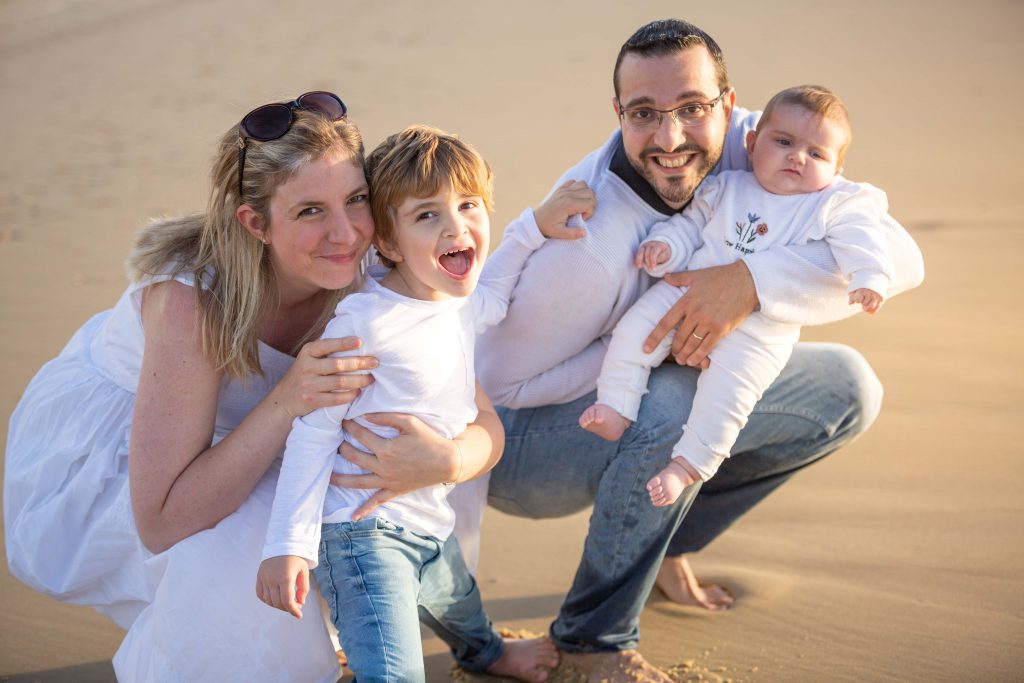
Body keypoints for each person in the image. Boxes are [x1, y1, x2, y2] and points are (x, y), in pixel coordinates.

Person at [474, 20, 925, 680]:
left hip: (648, 381)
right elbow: (497, 383)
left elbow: (901, 258)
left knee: (846, 388)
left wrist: (748, 282)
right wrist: (645, 348)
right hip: (521, 449)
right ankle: (592, 642)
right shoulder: (589, 246)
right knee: (676, 398)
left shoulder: (765, 145)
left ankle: (659, 541)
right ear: (619, 113)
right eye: (645, 114)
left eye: (692, 107)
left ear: (729, 105)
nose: (671, 138)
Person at [3, 94, 502, 682]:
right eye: (310, 211)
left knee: (416, 439)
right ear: (256, 223)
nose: (345, 233)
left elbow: (480, 419)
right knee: (254, 595)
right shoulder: (191, 304)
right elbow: (160, 520)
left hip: (268, 439)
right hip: (132, 464)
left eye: (355, 200)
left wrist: (449, 459)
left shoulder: (375, 271)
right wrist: (288, 400)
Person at [255, 125, 576, 682]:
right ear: (389, 243)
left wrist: (532, 227)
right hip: (362, 535)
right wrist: (288, 545)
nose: (455, 226)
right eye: (427, 214)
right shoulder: (366, 323)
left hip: (427, 517)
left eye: (468, 205)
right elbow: (314, 431)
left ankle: (487, 654)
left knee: (459, 604)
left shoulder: (456, 297)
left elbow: (497, 289)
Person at [579, 85, 892, 507]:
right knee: (637, 329)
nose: (798, 157)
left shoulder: (831, 204)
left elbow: (862, 238)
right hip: (688, 289)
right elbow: (689, 227)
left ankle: (688, 466)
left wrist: (869, 276)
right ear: (751, 143)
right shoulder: (727, 187)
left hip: (761, 333)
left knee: (727, 399)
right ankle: (616, 405)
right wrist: (665, 246)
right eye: (784, 142)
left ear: (837, 168)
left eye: (816, 153)